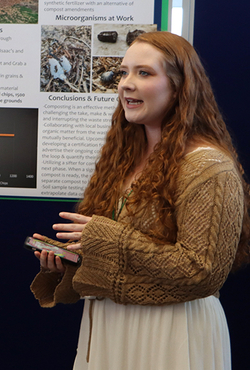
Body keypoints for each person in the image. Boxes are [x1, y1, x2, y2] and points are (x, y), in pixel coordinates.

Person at [30, 31, 250, 370]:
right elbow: (124, 259)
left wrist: (109, 239)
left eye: (143, 73)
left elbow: (202, 271)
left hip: (171, 334)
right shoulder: (124, 160)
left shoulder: (209, 167)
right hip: (109, 325)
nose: (125, 84)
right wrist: (76, 261)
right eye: (123, 73)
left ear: (179, 87)